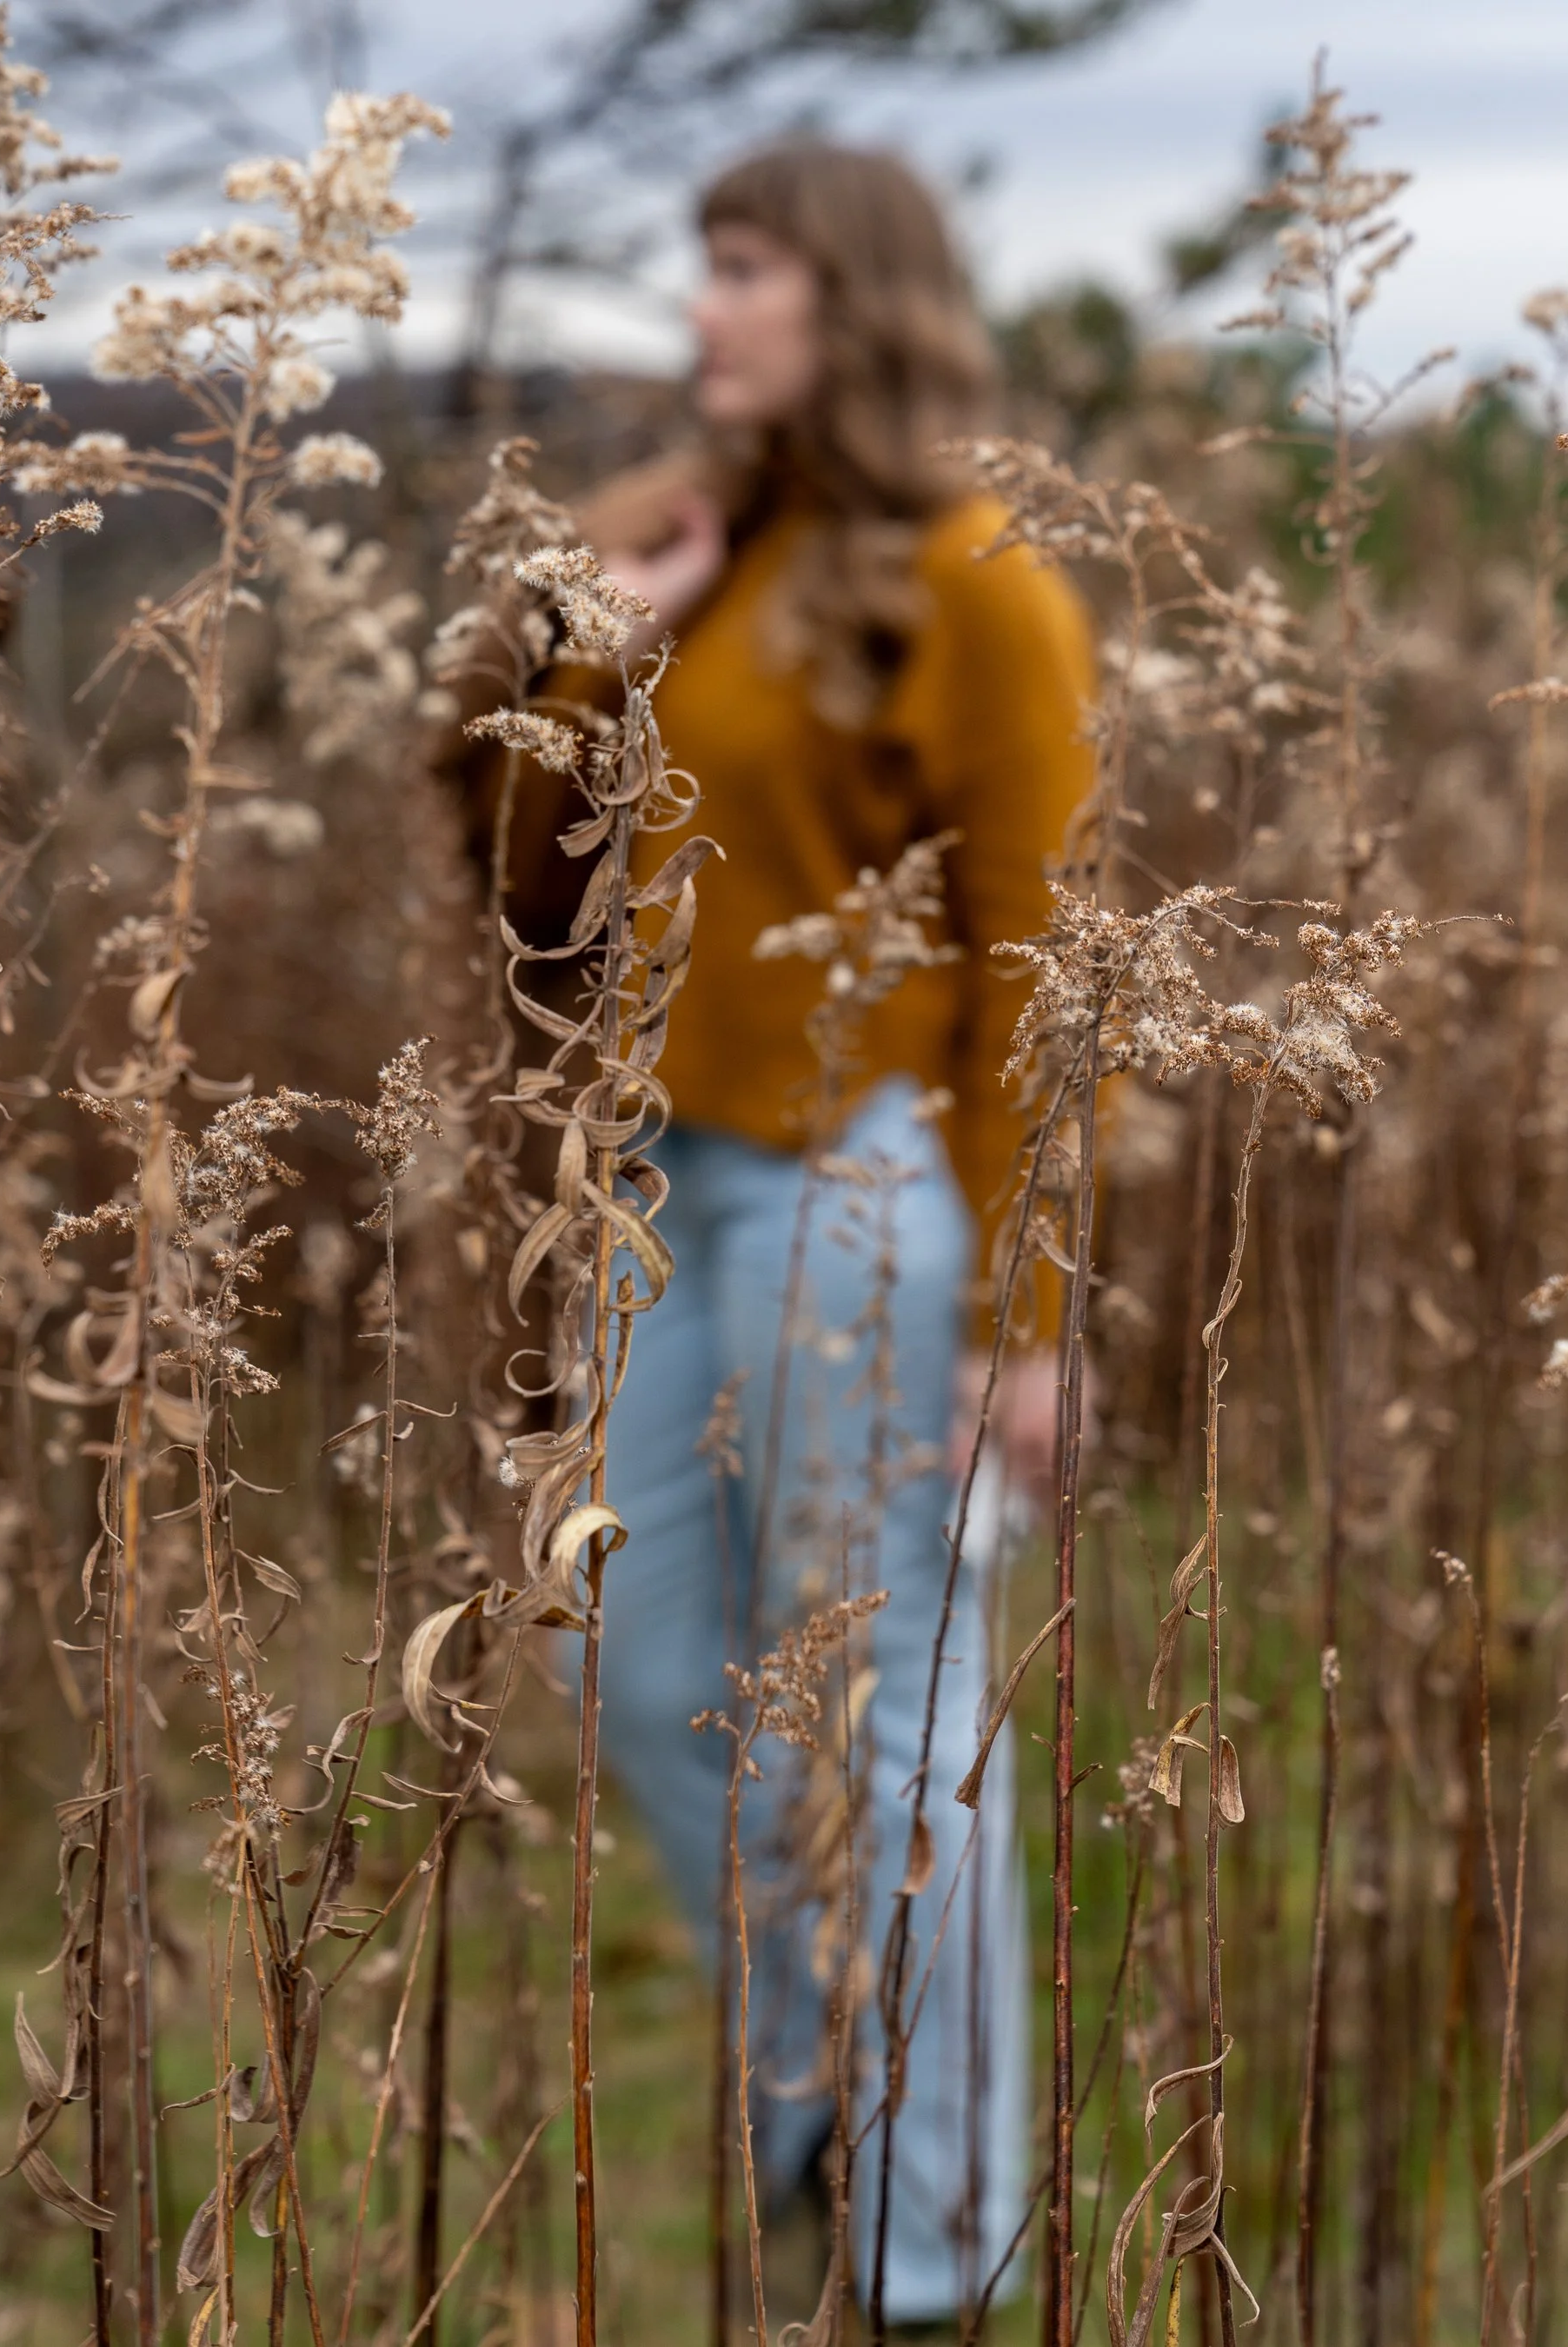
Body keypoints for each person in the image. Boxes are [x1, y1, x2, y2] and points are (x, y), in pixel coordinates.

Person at [475, 143, 1093, 2332]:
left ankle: (931, 2257)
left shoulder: (975, 577)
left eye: (747, 268)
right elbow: (509, 875)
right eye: (706, 261)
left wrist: (1024, 1320)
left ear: (858, 298)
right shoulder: (670, 543)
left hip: (869, 1184)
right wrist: (586, 668)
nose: (707, 304)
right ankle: (817, 2060)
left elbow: (1033, 950)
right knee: (637, 1668)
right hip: (661, 1177)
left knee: (894, 1730)